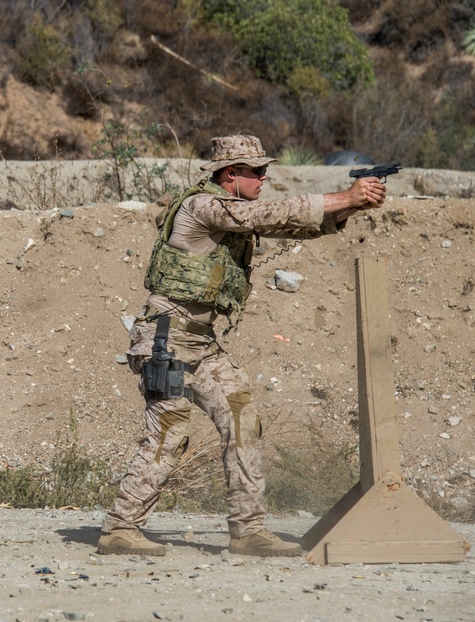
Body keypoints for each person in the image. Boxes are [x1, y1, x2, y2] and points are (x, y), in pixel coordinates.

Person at [97, 134, 387, 558]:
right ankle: (120, 528)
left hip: (199, 341)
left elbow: (287, 224)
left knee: (242, 419)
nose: (264, 178)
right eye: (257, 172)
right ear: (230, 174)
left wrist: (349, 206)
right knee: (170, 430)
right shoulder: (203, 206)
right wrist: (342, 195)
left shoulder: (234, 210)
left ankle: (248, 531)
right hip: (165, 340)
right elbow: (268, 213)